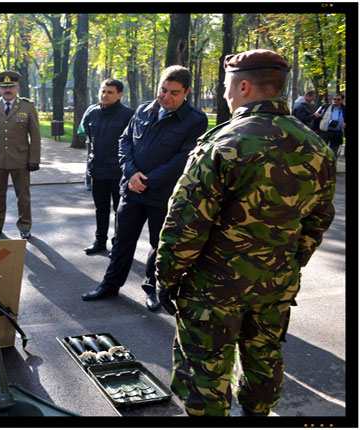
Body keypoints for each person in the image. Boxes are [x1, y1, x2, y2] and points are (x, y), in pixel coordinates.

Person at [155, 49, 337, 417]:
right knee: (264, 360)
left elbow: (186, 224)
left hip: (214, 287)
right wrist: (287, 262)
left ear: (243, 86)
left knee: (206, 374)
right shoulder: (316, 146)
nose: (224, 93)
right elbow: (319, 219)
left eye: (226, 86)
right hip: (276, 281)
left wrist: (167, 277)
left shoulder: (222, 144)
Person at [81, 66, 207, 311]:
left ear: (186, 92)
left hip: (162, 195)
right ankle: (110, 285)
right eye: (162, 89)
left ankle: (152, 289)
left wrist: (147, 180)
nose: (166, 97)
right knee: (122, 242)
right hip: (131, 190)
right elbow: (125, 142)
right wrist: (131, 173)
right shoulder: (143, 110)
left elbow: (183, 159)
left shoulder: (195, 119)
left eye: (174, 92)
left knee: (158, 245)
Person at [0, 70, 41, 240]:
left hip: (21, 159)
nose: (8, 90)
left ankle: (25, 226)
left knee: (23, 196)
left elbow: (35, 136)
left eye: (11, 86)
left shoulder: (27, 106)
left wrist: (34, 159)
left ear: (17, 87)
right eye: (4, 86)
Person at [81, 79, 134, 255]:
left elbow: (133, 144)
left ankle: (118, 244)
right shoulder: (92, 113)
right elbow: (91, 139)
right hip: (97, 170)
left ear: (120, 94)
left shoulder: (129, 115)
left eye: (110, 92)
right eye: (103, 91)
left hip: (119, 172)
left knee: (120, 211)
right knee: (100, 208)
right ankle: (100, 241)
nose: (105, 95)